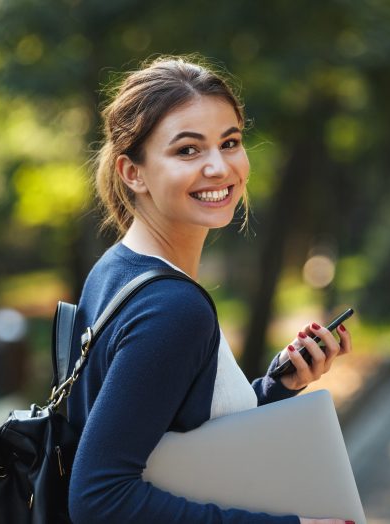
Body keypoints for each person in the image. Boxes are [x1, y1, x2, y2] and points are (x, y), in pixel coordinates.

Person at [67, 55, 354, 524]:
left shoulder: (117, 268)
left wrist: (278, 386)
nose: (219, 167)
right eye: (188, 150)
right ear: (132, 172)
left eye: (230, 142)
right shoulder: (173, 308)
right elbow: (99, 499)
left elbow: (173, 436)